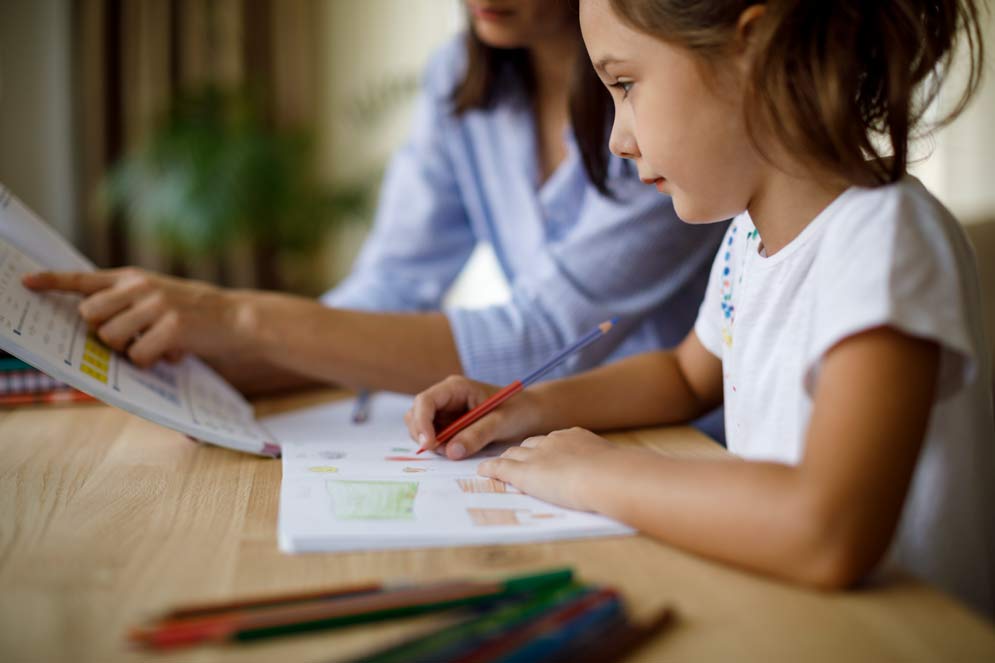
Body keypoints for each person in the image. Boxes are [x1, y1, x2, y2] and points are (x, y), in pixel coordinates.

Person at [405, 0, 995, 617]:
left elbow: (827, 530)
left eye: (627, 85)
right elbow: (685, 375)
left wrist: (594, 475)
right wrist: (519, 406)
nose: (616, 139)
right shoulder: (748, 238)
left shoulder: (884, 237)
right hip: (785, 610)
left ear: (755, 52)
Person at [22, 1, 726, 428]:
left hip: (677, 441)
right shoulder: (458, 79)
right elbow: (385, 291)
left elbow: (538, 339)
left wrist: (238, 316)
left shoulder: (672, 115)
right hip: (548, 436)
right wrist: (191, 368)